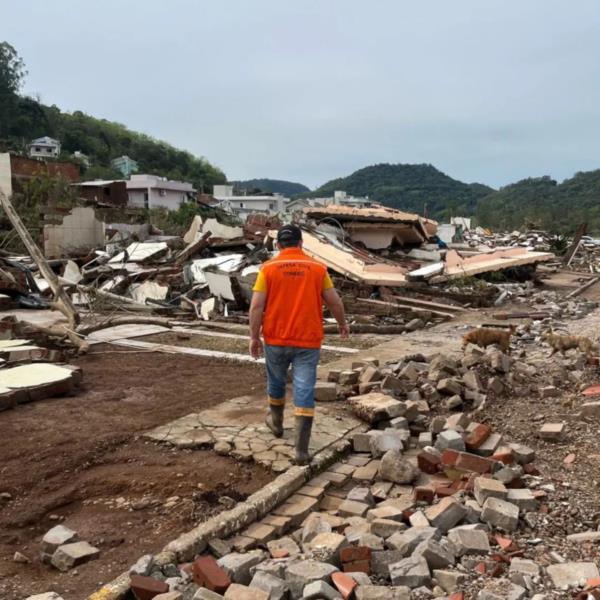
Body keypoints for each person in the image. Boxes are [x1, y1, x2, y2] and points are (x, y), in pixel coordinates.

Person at [248, 224, 348, 465]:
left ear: (279, 245)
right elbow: (334, 301)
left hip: (276, 338)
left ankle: (277, 424)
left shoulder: (267, 269)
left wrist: (254, 336)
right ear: (301, 243)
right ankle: (301, 450)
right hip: (307, 340)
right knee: (304, 388)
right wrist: (343, 324)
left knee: (276, 381)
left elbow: (256, 306)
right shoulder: (317, 269)